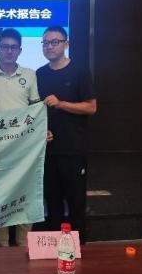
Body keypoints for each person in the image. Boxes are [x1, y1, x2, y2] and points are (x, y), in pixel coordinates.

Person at [0, 28, 40, 247]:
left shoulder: (29, 74)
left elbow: (35, 108)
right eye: (5, 47)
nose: (9, 51)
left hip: (24, 146)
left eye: (13, 47)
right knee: (0, 195)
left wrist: (42, 130)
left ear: (20, 50)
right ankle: (3, 249)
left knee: (25, 194)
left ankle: (23, 246)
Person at [36, 26, 97, 240]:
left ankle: (78, 249)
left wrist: (61, 104)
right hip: (47, 150)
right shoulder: (39, 74)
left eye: (55, 42)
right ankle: (54, 247)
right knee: (52, 202)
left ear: (66, 44)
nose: (49, 46)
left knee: (75, 203)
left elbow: (91, 107)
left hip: (73, 150)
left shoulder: (79, 71)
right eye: (45, 42)